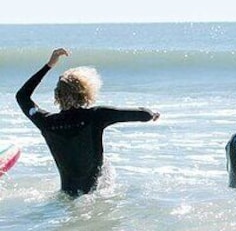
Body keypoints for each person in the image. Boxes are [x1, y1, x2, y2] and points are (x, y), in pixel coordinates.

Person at [16, 47, 160, 197]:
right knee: (106, 169)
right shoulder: (96, 116)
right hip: (94, 197)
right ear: (85, 93)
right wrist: (152, 114)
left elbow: (22, 96)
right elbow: (142, 114)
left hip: (67, 196)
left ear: (57, 95)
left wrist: (49, 65)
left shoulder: (46, 123)